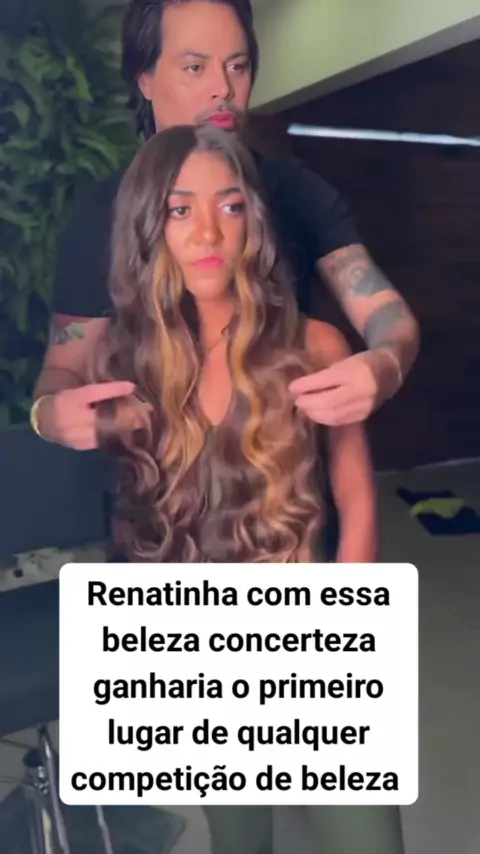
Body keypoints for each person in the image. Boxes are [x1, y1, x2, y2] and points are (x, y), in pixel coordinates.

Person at [84, 122, 403, 854]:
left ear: (252, 222)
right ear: (149, 223)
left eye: (230, 207)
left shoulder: (314, 344)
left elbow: (356, 499)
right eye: (180, 209)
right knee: (238, 839)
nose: (208, 233)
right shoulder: (120, 360)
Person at [31, 0, 419, 449]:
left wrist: (386, 365)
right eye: (195, 68)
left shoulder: (296, 191)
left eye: (238, 66)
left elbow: (387, 315)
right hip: (152, 482)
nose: (223, 89)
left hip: (282, 475)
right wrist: (49, 415)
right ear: (145, 80)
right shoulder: (100, 212)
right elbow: (63, 368)